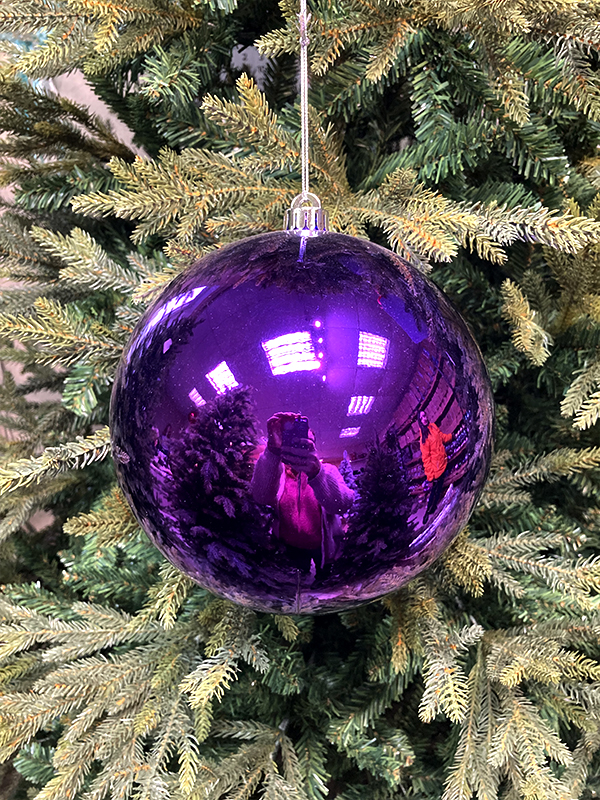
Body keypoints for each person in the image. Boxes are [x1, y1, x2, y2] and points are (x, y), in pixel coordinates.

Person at [250, 412, 355, 570]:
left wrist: (317, 474)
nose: (298, 447)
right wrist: (272, 451)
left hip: (323, 548)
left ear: (314, 447)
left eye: (305, 442)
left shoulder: (328, 471)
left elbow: (342, 505)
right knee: (295, 581)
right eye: (293, 441)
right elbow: (261, 497)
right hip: (288, 548)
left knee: (324, 579)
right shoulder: (278, 473)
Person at [418, 410, 452, 523]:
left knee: (440, 489)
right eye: (421, 418)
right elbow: (426, 459)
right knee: (434, 491)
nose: (424, 419)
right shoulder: (423, 439)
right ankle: (428, 512)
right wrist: (430, 477)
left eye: (424, 416)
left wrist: (451, 436)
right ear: (419, 421)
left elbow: (442, 437)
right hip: (436, 469)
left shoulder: (433, 426)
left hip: (443, 463)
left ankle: (435, 508)